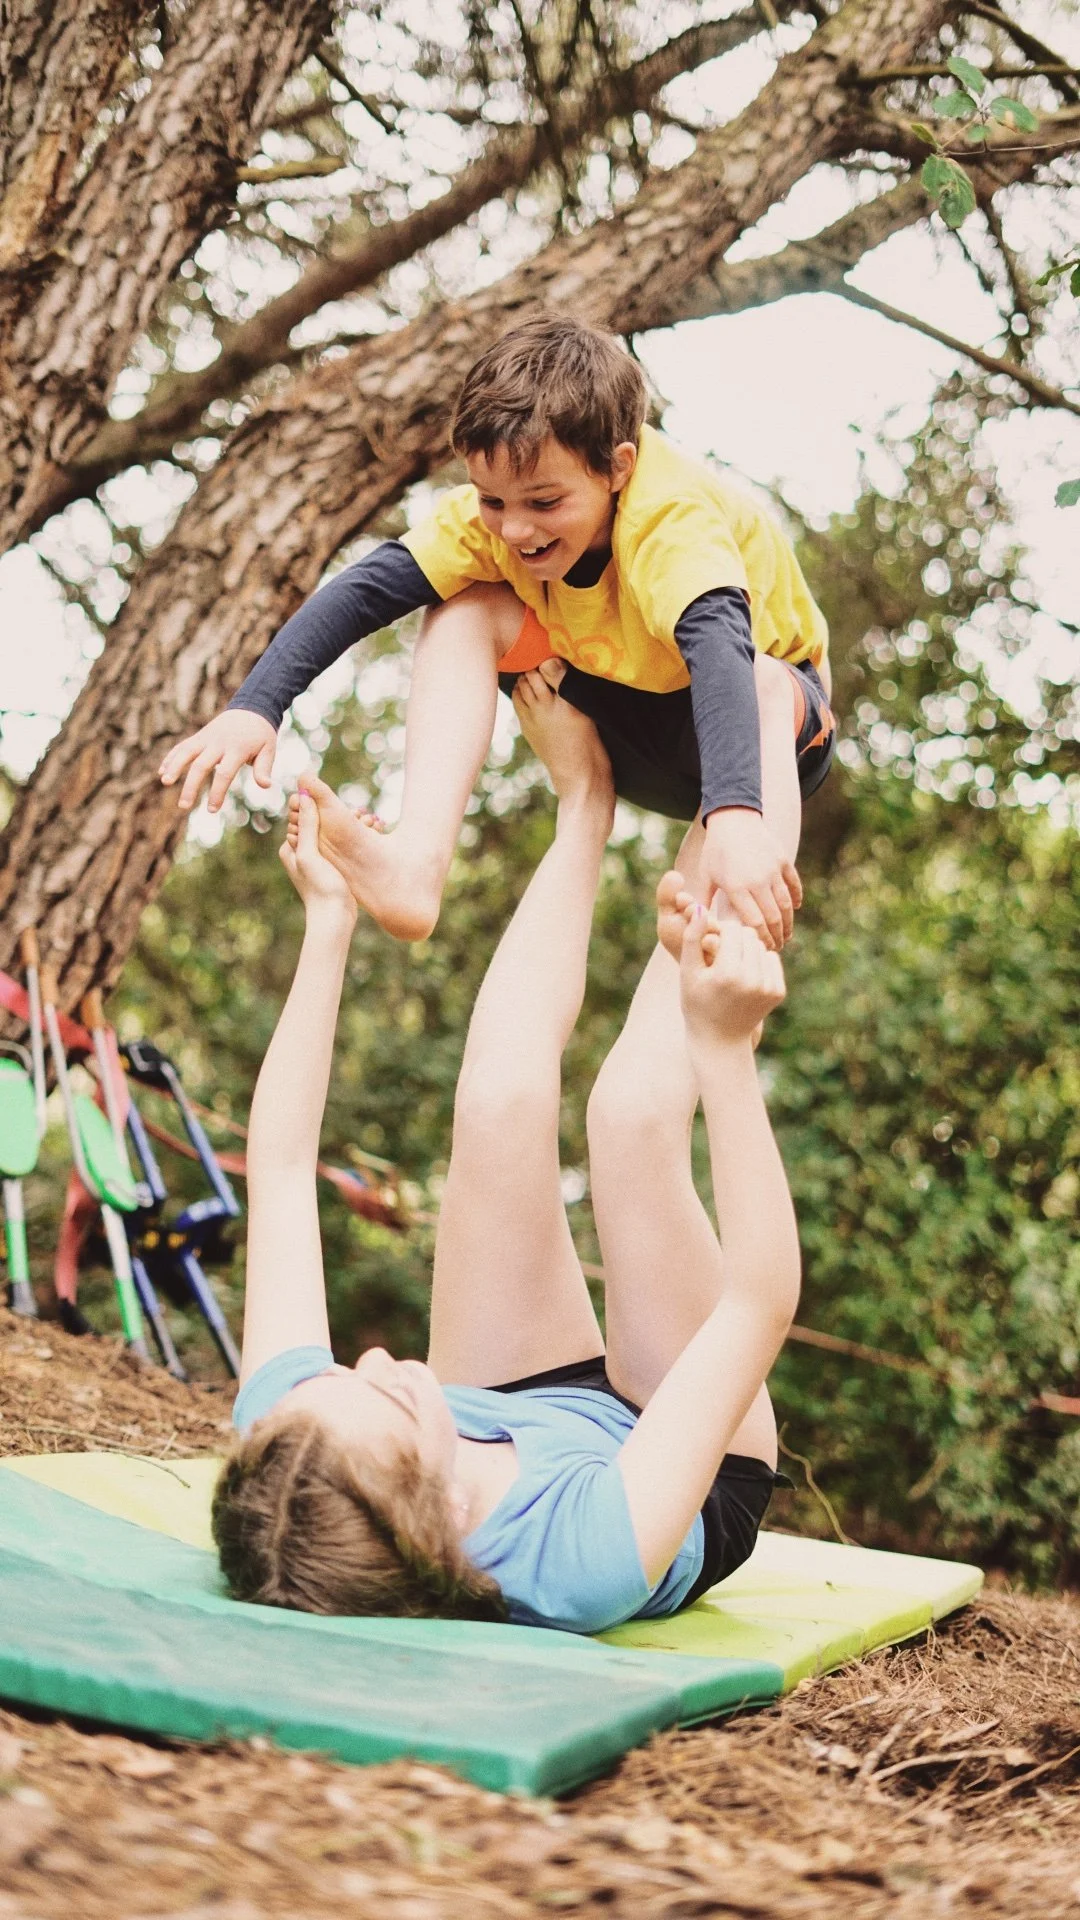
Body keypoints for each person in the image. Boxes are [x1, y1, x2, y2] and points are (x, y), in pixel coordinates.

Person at [213, 683, 800, 1631]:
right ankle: (770, 731)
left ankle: (585, 802)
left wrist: (328, 924)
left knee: (495, 1103)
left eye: (343, 1375)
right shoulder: (582, 1559)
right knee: (632, 1123)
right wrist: (725, 1051)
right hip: (680, 1467)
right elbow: (758, 1304)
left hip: (511, 1407)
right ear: (447, 1516)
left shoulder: (300, 1450)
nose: (373, 1359)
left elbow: (279, 1171)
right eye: (392, 1399)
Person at [161, 317, 834, 955]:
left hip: (760, 737)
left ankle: (738, 936)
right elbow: (364, 593)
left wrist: (736, 813)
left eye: (545, 502)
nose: (515, 528)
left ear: (618, 467)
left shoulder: (668, 519)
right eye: (493, 500)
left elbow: (719, 650)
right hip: (631, 720)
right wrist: (257, 706)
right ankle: (415, 864)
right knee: (464, 602)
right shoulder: (488, 525)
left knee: (758, 682)